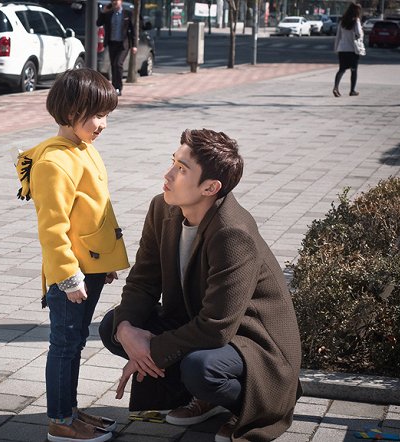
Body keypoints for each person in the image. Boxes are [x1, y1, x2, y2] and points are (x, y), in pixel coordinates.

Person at [99, 129, 302, 442]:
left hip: (253, 340)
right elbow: (143, 281)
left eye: (181, 169)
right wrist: (127, 331)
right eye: (173, 162)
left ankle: (247, 405)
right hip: (201, 319)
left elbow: (216, 329)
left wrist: (148, 349)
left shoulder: (233, 234)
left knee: (200, 368)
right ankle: (200, 398)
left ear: (210, 187)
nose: (168, 174)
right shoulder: (162, 208)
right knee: (113, 326)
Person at [14, 68, 130, 442]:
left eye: (107, 115)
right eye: (96, 115)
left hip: (89, 270)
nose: (103, 124)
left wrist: (105, 262)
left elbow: (96, 214)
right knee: (65, 345)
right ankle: (60, 421)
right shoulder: (54, 163)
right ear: (69, 112)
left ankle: (69, 410)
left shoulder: (83, 149)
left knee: (75, 342)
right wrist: (68, 277)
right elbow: (53, 229)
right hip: (71, 278)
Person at [96, 0, 137, 96]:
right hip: (112, 43)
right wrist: (103, 12)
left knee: (118, 64)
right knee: (113, 65)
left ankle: (118, 87)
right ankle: (114, 87)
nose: (114, 2)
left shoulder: (127, 14)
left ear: (121, 2)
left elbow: (133, 30)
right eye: (113, 1)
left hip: (123, 44)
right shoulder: (109, 14)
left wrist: (134, 45)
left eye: (116, 1)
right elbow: (98, 23)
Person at [333, 3, 363, 97]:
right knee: (353, 70)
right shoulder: (356, 21)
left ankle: (336, 87)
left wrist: (336, 48)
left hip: (342, 49)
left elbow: (338, 36)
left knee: (341, 69)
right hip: (352, 50)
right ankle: (352, 90)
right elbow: (359, 33)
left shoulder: (342, 21)